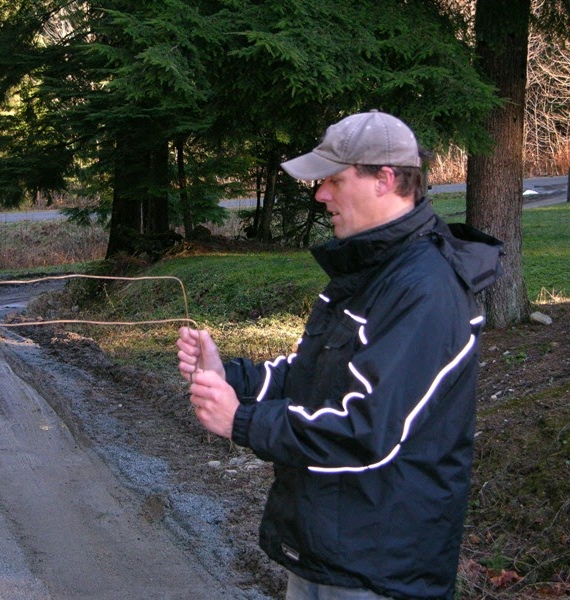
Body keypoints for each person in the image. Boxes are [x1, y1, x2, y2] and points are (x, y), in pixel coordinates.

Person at [176, 110, 503, 600]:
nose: (320, 194)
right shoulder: (369, 271)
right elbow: (314, 376)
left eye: (333, 180)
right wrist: (234, 377)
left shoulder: (425, 289)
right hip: (328, 553)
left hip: (378, 571)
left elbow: (366, 430)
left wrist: (241, 421)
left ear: (385, 180)